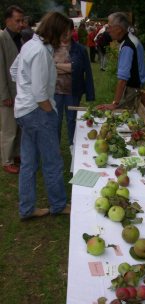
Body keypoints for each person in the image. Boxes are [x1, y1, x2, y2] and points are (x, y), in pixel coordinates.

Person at [10, 12, 71, 219]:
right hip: (36, 112)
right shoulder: (40, 51)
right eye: (64, 33)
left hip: (24, 111)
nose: (66, 37)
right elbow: (39, 94)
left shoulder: (30, 45)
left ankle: (27, 209)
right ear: (54, 31)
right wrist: (50, 113)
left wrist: (24, 86)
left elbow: (14, 71)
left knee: (28, 163)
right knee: (52, 160)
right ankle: (58, 205)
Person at [54, 21, 95, 147]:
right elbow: (45, 67)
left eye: (68, 30)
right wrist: (66, 67)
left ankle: (73, 146)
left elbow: (77, 68)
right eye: (62, 30)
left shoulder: (80, 49)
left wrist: (55, 66)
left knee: (72, 119)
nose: (65, 34)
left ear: (73, 31)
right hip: (54, 91)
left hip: (73, 91)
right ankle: (55, 147)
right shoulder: (51, 48)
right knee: (56, 120)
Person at [97, 12, 145, 111]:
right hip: (136, 88)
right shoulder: (131, 39)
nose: (108, 30)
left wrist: (115, 103)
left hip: (133, 90)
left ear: (119, 29)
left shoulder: (127, 46)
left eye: (109, 26)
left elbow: (122, 79)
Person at [0, 5, 24, 174]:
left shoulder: (19, 37)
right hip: (7, 92)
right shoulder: (2, 37)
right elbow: (0, 69)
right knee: (8, 128)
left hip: (19, 91)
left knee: (18, 126)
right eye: (18, 20)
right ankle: (6, 159)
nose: (21, 24)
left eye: (22, 20)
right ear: (7, 20)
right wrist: (4, 95)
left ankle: (16, 154)